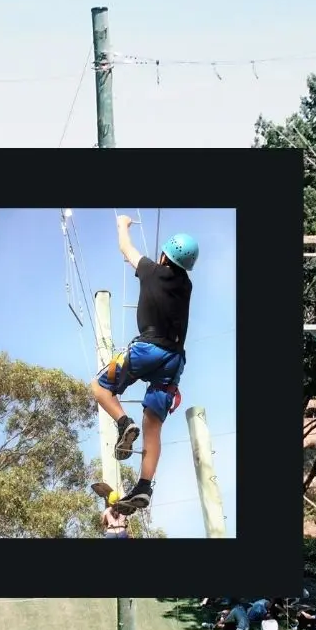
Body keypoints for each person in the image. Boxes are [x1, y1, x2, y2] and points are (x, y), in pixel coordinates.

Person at [91, 215, 197, 510]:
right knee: (154, 426)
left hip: (148, 349)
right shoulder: (186, 286)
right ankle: (144, 487)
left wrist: (123, 224)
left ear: (164, 255)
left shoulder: (151, 270)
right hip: (175, 359)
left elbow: (125, 247)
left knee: (99, 387)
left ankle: (124, 423)